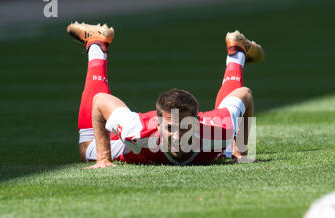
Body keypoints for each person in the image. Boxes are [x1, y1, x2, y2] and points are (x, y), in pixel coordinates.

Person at [67, 22, 264, 168]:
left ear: (197, 122)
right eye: (170, 128)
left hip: (209, 134)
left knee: (227, 140)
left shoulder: (217, 132)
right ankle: (96, 44)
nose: (178, 136)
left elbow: (244, 95)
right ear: (159, 124)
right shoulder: (137, 131)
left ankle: (236, 50)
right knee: (87, 148)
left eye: (186, 127)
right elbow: (100, 101)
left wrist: (242, 152)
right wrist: (103, 158)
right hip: (138, 140)